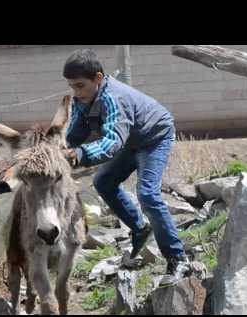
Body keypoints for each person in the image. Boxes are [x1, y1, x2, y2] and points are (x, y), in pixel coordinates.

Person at [62, 49, 190, 286]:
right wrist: (60, 150)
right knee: (103, 182)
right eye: (71, 86)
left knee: (148, 194)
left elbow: (112, 143)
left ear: (98, 78)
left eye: (79, 86)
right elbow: (74, 135)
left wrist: (80, 155)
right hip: (131, 141)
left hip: (154, 138)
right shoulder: (84, 99)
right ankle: (140, 229)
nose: (75, 92)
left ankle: (178, 259)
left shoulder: (113, 98)